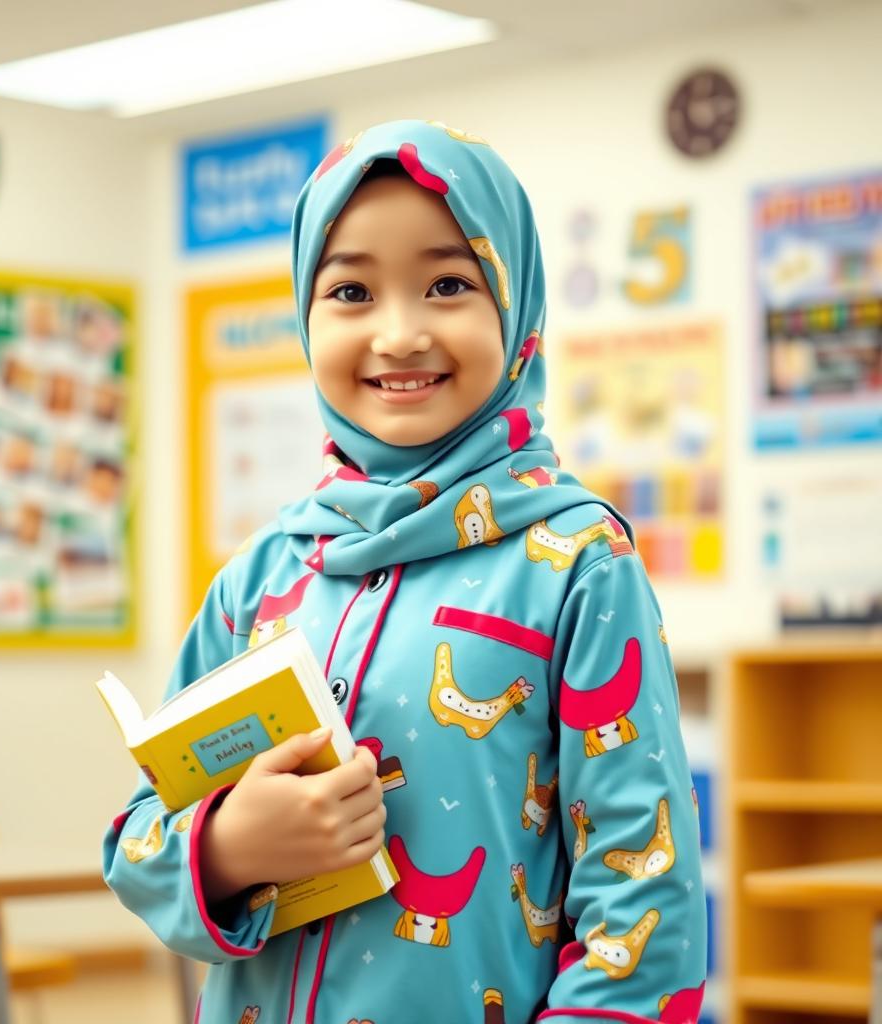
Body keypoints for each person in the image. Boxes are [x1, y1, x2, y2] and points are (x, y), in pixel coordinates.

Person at [103, 120, 706, 1024]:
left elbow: (643, 899)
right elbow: (140, 834)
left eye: (449, 284)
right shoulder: (263, 577)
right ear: (305, 320)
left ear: (517, 308)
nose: (398, 333)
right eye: (350, 290)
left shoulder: (578, 562)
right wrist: (229, 847)